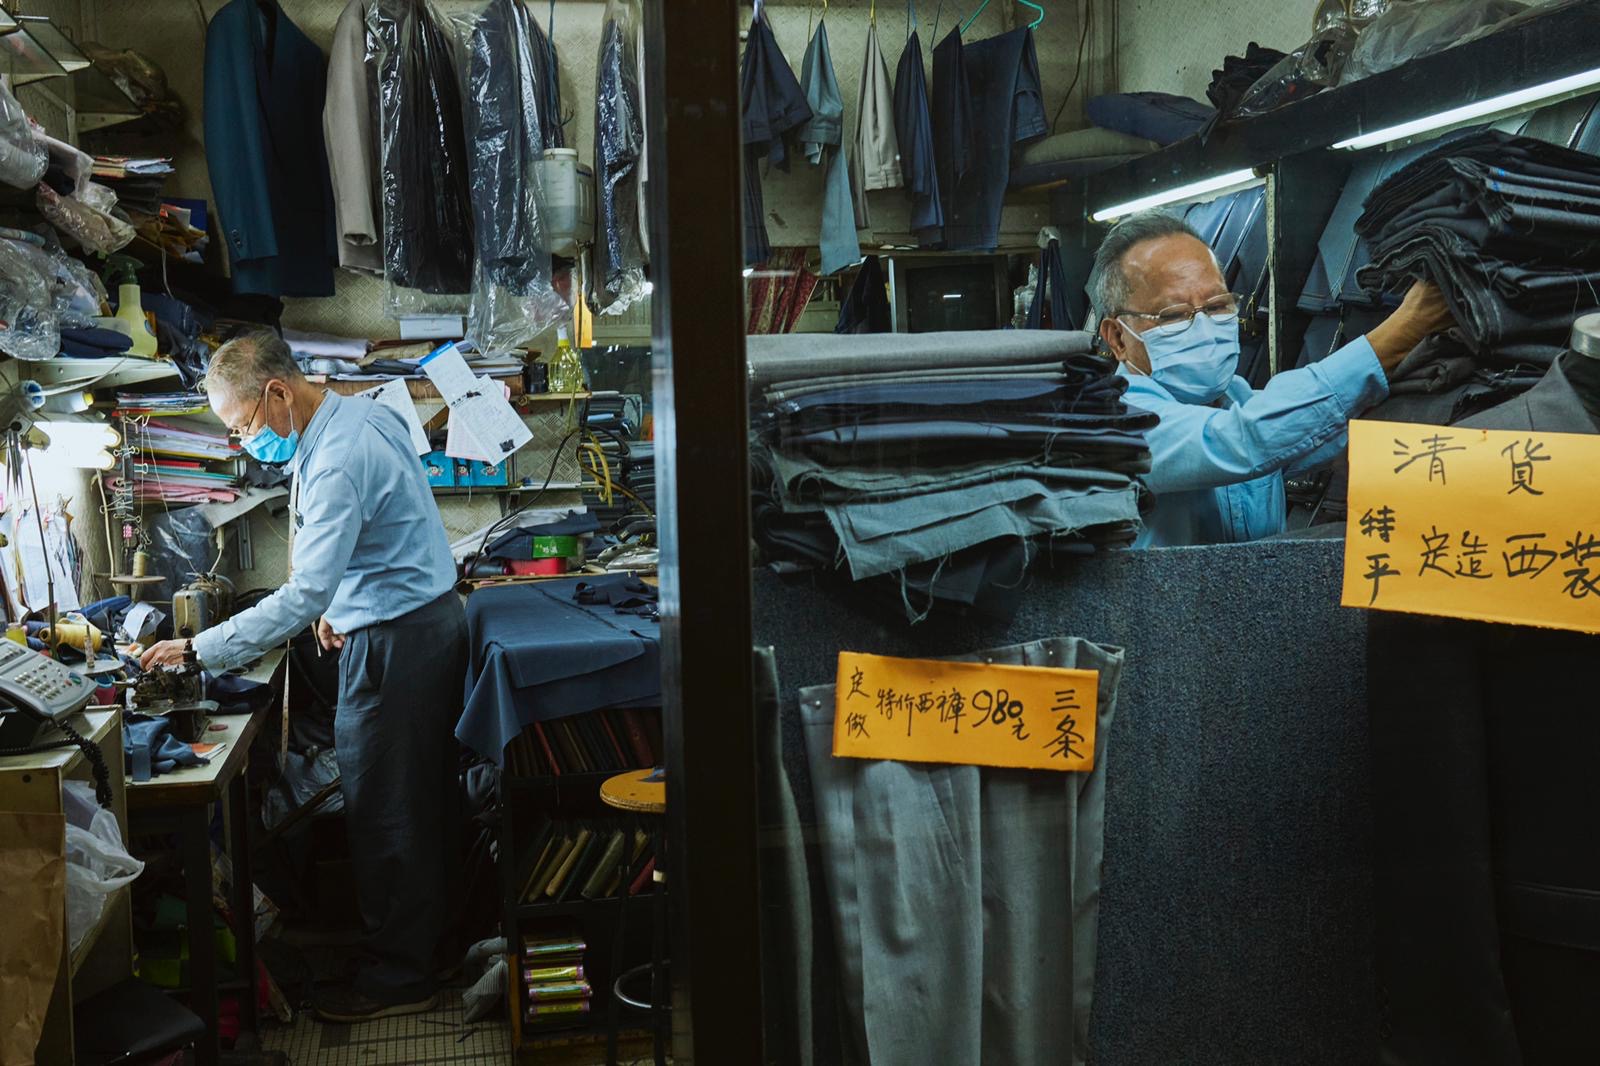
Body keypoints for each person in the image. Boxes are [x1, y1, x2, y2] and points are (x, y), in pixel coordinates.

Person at [140, 332, 468, 1023]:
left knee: (388, 812)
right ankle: (425, 952)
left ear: (278, 392)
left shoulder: (337, 458)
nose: (243, 442)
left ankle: (399, 979)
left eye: (243, 425)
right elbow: (381, 534)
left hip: (397, 644)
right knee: (418, 802)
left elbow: (304, 590)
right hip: (419, 624)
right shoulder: (359, 414)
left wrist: (198, 649)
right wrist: (337, 605)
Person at [1090, 210, 1455, 547]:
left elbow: (1307, 428)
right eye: (1173, 315)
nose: (1204, 327)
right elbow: (1245, 439)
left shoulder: (1238, 399)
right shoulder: (1115, 424)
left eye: (1217, 306)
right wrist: (1404, 328)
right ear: (1118, 338)